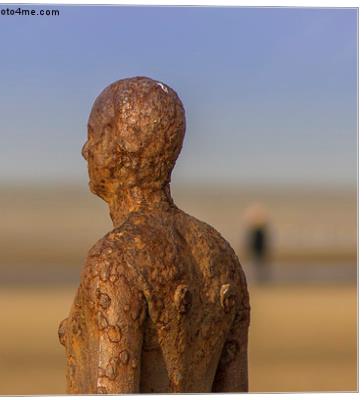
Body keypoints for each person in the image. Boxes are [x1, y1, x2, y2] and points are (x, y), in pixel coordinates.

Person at [58, 77, 250, 394]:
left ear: (122, 147)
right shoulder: (221, 254)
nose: (85, 150)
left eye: (94, 135)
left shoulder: (113, 260)